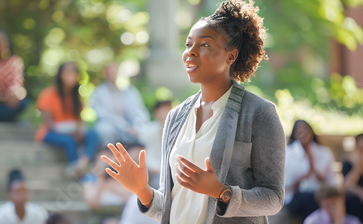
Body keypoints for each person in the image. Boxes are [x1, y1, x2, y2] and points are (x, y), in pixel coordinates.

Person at [100, 1, 286, 223]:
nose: (191, 53)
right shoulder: (175, 117)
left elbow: (273, 198)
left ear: (231, 56)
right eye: (188, 45)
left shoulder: (260, 113)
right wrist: (142, 191)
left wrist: (222, 192)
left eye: (205, 45)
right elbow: (172, 207)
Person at [35, 62, 99, 178]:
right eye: (68, 72)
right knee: (70, 141)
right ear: (61, 74)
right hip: (50, 133)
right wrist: (71, 132)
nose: (71, 75)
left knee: (93, 134)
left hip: (73, 131)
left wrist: (79, 130)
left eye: (74, 72)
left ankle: (82, 164)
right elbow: (50, 124)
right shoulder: (49, 94)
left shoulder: (76, 96)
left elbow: (79, 120)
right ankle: (80, 172)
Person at [285, 120, 338, 220]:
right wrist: (306, 175)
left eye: (305, 128)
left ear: (311, 131)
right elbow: (285, 185)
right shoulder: (287, 154)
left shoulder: (324, 152)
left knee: (350, 201)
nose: (302, 132)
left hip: (321, 193)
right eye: (298, 130)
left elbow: (332, 180)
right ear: (294, 134)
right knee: (310, 199)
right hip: (295, 196)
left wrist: (317, 174)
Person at [90, 63, 149, 145]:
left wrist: (137, 127)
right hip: (112, 126)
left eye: (114, 71)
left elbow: (139, 111)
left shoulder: (130, 91)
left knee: (148, 130)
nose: (112, 74)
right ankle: (108, 153)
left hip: (132, 126)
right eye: (109, 72)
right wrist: (125, 127)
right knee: (104, 129)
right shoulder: (99, 92)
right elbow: (104, 114)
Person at [138, 100, 172, 189]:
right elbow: (145, 156)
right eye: (163, 110)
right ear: (156, 112)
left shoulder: (178, 130)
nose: (166, 113)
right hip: (154, 174)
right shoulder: (148, 132)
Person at [343, 133, 363, 219]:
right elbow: (347, 186)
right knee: (353, 200)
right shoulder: (348, 164)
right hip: (356, 200)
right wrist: (358, 167)